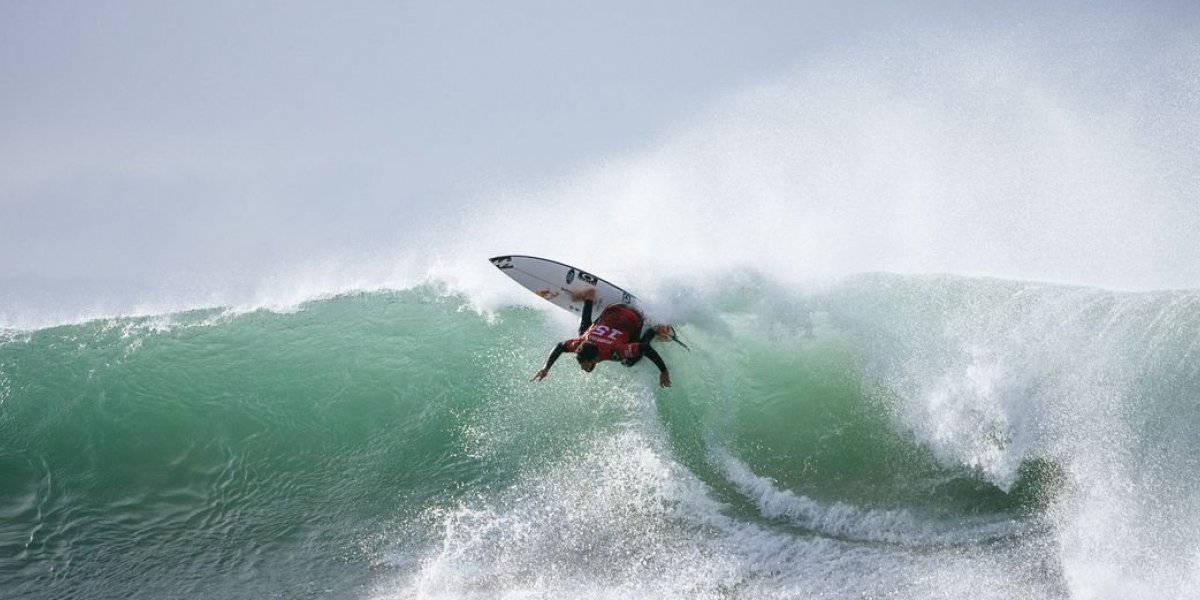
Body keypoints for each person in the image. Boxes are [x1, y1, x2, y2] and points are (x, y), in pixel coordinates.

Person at [531, 289, 672, 388]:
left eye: (584, 364)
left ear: (595, 358)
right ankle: (589, 297)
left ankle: (654, 330)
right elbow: (561, 346)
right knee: (583, 332)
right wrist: (546, 368)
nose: (582, 368)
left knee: (629, 361)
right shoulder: (581, 345)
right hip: (613, 309)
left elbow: (645, 348)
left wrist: (663, 371)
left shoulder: (616, 351)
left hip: (633, 316)